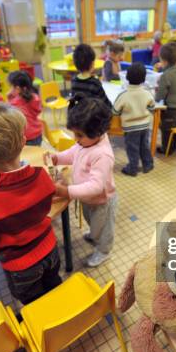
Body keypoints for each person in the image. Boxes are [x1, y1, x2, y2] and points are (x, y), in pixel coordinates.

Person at [0, 102, 62, 304]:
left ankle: (43, 325)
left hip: (21, 266)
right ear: (24, 141)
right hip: (50, 247)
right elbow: (45, 206)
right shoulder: (41, 175)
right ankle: (62, 313)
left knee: (33, 301)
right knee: (54, 285)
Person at [46, 96, 116, 268]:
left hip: (102, 201)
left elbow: (95, 186)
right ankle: (93, 234)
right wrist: (57, 158)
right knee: (91, 222)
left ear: (98, 133)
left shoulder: (102, 154)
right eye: (74, 133)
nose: (75, 138)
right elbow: (73, 153)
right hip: (87, 198)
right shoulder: (86, 142)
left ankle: (104, 250)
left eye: (79, 135)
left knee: (103, 229)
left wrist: (67, 191)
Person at [112, 62, 155, 176]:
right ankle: (148, 164)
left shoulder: (124, 95)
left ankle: (132, 168)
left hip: (130, 128)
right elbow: (152, 107)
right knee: (144, 146)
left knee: (132, 149)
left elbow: (115, 111)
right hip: (145, 125)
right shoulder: (147, 93)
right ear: (144, 78)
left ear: (127, 77)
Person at [156, 42, 176, 156]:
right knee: (175, 127)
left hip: (172, 107)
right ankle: (174, 146)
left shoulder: (166, 75)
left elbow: (161, 95)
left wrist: (156, 97)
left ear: (164, 61)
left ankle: (166, 149)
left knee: (166, 129)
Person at [7, 71, 43, 146]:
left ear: (17, 89)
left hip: (26, 137)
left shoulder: (14, 103)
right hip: (38, 134)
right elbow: (38, 111)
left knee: (27, 156)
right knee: (36, 153)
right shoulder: (35, 97)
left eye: (10, 86)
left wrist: (9, 98)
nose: (10, 89)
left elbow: (9, 117)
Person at [71, 44, 112, 108]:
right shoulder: (94, 82)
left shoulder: (73, 81)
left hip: (80, 115)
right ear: (92, 63)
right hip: (94, 116)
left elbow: (74, 102)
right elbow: (105, 103)